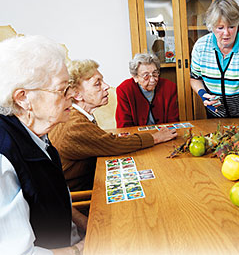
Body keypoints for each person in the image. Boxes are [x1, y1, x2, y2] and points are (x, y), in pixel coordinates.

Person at [0, 35, 86, 253]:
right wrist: (81, 249)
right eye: (63, 89)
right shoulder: (4, 157)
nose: (73, 96)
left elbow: (53, 199)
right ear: (23, 98)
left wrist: (86, 224)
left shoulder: (38, 135)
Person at [49, 59, 177, 191]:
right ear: (77, 94)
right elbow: (114, 144)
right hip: (81, 197)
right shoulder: (74, 125)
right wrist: (156, 137)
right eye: (97, 84)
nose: (107, 86)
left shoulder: (76, 115)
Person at [116, 53, 179, 128]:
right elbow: (124, 126)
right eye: (146, 75)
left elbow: (173, 122)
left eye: (155, 74)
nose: (152, 80)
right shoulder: (124, 90)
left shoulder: (169, 87)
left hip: (164, 134)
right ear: (135, 77)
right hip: (138, 137)